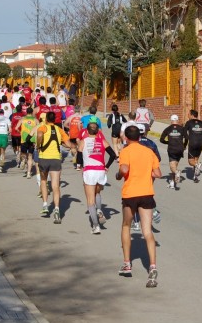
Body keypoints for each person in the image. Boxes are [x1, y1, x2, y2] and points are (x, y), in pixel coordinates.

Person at [116, 125, 161, 288]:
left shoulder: (125, 151)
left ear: (126, 138)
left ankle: (127, 264)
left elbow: (124, 168)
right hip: (147, 193)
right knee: (147, 231)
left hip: (130, 195)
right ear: (140, 137)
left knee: (126, 226)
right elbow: (158, 173)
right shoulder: (149, 152)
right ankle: (153, 266)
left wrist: (119, 174)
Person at [78, 120, 117, 234]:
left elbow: (79, 157)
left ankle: (96, 226)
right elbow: (113, 155)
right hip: (100, 171)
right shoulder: (103, 141)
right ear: (98, 131)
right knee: (97, 193)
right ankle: (99, 210)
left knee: (90, 200)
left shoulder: (83, 141)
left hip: (89, 171)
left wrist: (80, 167)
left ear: (87, 131)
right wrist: (107, 166)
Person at [37, 111, 71, 224]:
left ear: (46, 119)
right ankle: (57, 209)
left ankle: (45, 205)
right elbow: (68, 143)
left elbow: (40, 135)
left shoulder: (42, 128)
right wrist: (72, 147)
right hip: (56, 159)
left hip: (43, 158)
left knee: (43, 181)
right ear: (55, 120)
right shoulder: (59, 130)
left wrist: (38, 144)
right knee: (55, 185)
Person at [159, 114, 187, 189]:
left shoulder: (168, 129)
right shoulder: (182, 129)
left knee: (172, 166)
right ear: (177, 120)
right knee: (175, 165)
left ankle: (176, 172)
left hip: (172, 149)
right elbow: (187, 138)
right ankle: (172, 182)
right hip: (180, 149)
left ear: (171, 121)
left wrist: (167, 142)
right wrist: (184, 145)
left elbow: (161, 140)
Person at [184, 109, 202, 182]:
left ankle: (196, 166)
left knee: (190, 161)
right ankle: (195, 177)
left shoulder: (188, 123)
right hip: (200, 143)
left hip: (192, 143)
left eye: (188, 114)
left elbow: (185, 134)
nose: (187, 115)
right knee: (196, 160)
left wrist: (185, 144)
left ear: (192, 115)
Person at [16, 107, 38, 179]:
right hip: (32, 140)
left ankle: (23, 160)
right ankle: (29, 173)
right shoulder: (35, 120)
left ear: (26, 112)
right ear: (32, 112)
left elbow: (16, 128)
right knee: (30, 156)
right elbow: (38, 129)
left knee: (23, 154)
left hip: (24, 139)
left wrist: (21, 133)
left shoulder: (22, 119)